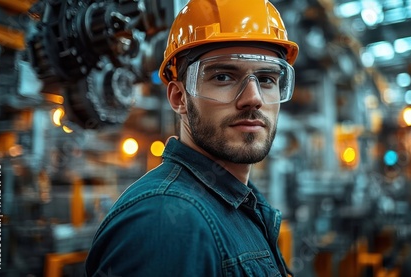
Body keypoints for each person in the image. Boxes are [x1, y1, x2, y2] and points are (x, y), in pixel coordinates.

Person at [85, 0, 299, 275]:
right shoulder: (165, 221)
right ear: (179, 97)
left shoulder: (238, 203)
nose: (253, 98)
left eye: (267, 79)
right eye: (223, 76)